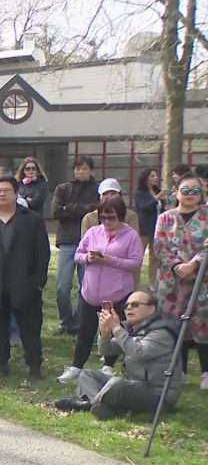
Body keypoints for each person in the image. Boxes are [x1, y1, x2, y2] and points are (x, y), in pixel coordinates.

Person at [0, 175, 50, 381]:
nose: (2, 194)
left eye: (6, 190)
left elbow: (42, 255)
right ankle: (1, 364)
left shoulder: (32, 220)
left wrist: (37, 283)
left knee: (30, 330)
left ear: (16, 193)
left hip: (24, 286)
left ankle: (34, 366)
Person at [54, 291, 183, 419]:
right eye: (126, 306)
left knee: (117, 384)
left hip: (157, 395)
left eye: (135, 304)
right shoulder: (133, 329)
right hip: (133, 387)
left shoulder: (161, 332)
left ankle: (88, 404)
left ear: (151, 309)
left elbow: (138, 352)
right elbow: (106, 350)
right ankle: (105, 407)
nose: (129, 308)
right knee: (87, 375)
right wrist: (104, 334)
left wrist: (116, 328)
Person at [56, 196, 143, 384]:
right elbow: (78, 254)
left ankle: (109, 366)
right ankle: (76, 367)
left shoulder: (130, 235)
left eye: (111, 217)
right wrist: (87, 258)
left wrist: (110, 260)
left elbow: (136, 263)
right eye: (103, 217)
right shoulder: (94, 232)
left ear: (120, 216)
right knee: (84, 331)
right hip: (90, 292)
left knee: (113, 330)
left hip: (117, 293)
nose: (107, 222)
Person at [153, 172, 208, 390]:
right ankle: (180, 370)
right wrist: (177, 266)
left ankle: (205, 372)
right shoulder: (165, 218)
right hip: (171, 282)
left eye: (196, 191)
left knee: (203, 323)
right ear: (176, 192)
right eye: (185, 190)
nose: (190, 195)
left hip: (201, 279)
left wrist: (193, 264)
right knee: (174, 324)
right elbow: (159, 246)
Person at [51, 156, 100, 335]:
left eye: (85, 169)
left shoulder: (97, 188)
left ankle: (79, 322)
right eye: (78, 169)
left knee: (85, 286)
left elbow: (98, 210)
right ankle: (66, 322)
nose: (81, 172)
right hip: (67, 242)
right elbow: (55, 211)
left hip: (89, 243)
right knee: (62, 288)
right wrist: (84, 209)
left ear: (90, 170)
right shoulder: (63, 188)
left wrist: (69, 208)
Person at [79, 178, 141, 288]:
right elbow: (82, 248)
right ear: (99, 196)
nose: (109, 196)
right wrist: (89, 256)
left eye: (113, 193)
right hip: (95, 272)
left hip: (122, 272)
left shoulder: (131, 216)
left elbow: (134, 249)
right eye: (105, 194)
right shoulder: (89, 218)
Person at [134, 168, 163, 291]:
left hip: (158, 228)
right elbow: (143, 207)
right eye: (152, 176)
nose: (155, 178)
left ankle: (152, 283)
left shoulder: (158, 191)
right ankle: (135, 283)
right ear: (145, 178)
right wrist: (156, 198)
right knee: (139, 256)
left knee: (154, 256)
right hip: (144, 228)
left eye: (156, 175)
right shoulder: (140, 193)